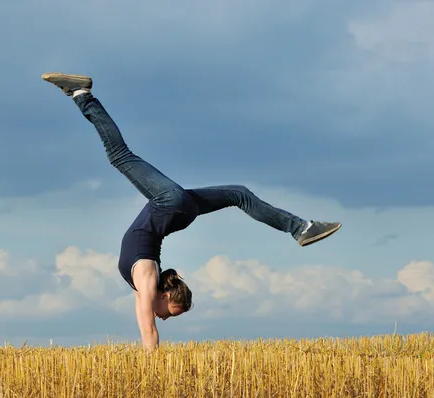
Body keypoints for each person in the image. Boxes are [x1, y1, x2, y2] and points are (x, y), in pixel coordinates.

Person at [41, 72, 342, 350]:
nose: (163, 319)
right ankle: (82, 94)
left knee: (239, 194)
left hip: (180, 211)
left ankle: (301, 228)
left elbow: (144, 315)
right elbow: (148, 331)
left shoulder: (145, 282)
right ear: (165, 296)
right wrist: (153, 365)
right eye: (169, 313)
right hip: (170, 204)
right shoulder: (146, 276)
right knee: (120, 155)